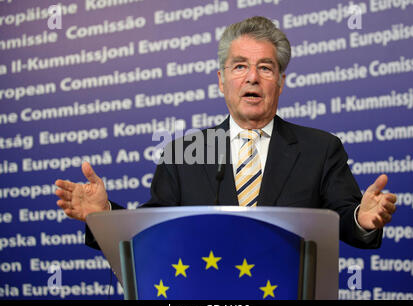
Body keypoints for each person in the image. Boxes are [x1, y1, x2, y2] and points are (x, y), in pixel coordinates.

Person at [55, 16, 397, 250]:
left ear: (281, 83)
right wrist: (105, 217)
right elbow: (154, 229)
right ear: (221, 81)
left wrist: (362, 218)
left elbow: (343, 218)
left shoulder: (321, 149)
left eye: (265, 67)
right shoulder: (183, 152)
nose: (252, 78)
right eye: (239, 67)